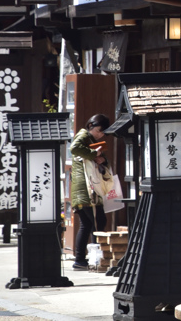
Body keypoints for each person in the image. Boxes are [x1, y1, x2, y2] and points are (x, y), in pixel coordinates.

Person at [70, 113, 109, 270]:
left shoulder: (90, 139)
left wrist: (101, 158)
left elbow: (95, 157)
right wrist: (95, 154)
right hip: (86, 190)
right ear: (91, 126)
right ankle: (95, 258)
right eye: (99, 131)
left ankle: (80, 260)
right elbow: (74, 148)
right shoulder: (84, 135)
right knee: (98, 222)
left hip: (81, 190)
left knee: (87, 224)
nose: (101, 134)